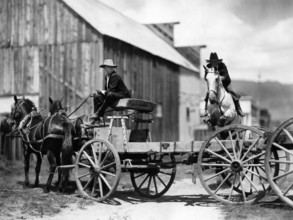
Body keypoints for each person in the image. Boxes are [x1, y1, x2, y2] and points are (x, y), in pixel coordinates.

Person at [203, 52, 245, 117]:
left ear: (217, 61)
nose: (214, 63)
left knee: (234, 93)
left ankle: (238, 108)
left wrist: (221, 78)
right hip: (215, 84)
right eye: (212, 62)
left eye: (215, 61)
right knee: (208, 94)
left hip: (226, 83)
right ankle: (206, 109)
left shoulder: (222, 65)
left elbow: (226, 75)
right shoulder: (208, 67)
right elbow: (206, 77)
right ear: (210, 62)